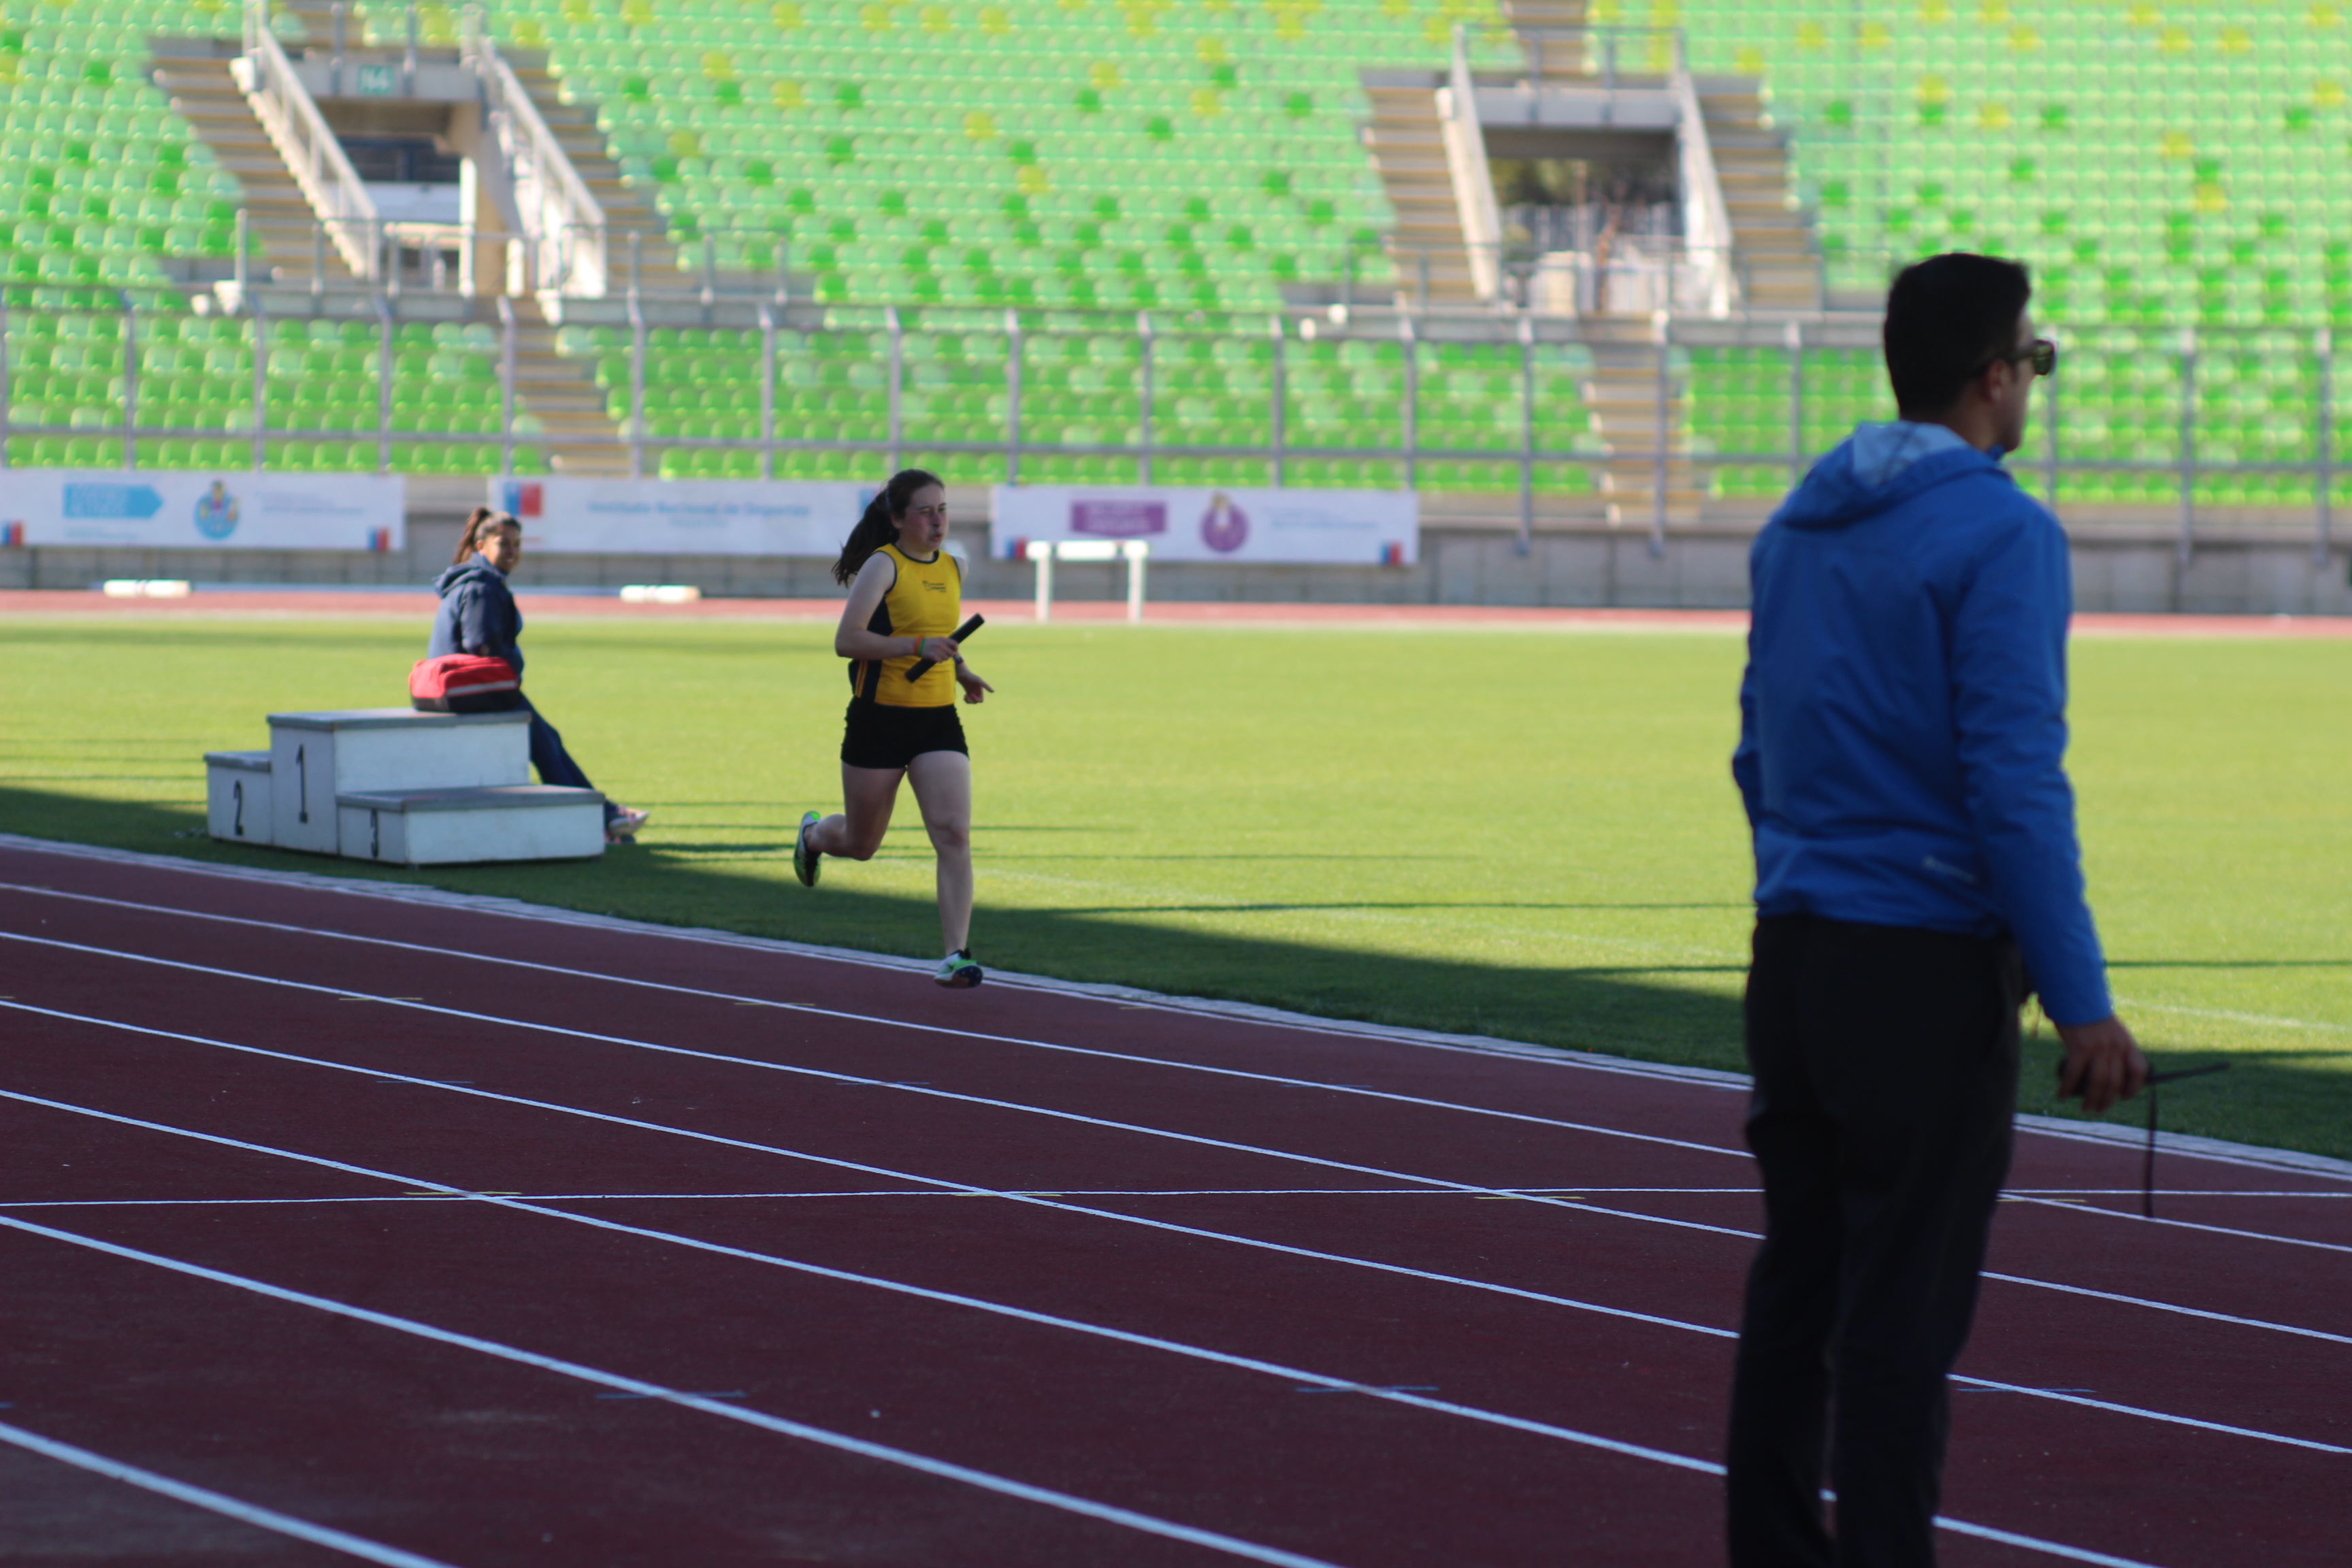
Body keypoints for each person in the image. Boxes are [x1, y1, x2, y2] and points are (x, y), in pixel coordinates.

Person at [1725, 253, 2149, 1567]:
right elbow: (2014, 784)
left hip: (1795, 956)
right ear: (1993, 375)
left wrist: (1807, 877)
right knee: (1900, 1317)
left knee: (1797, 1290)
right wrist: (2081, 1000)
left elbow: (1757, 749)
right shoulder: (2003, 534)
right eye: (2036, 359)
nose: (2035, 382)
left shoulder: (1795, 525)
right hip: (1919, 974)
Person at [793, 470, 994, 987]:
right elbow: (848, 641)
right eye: (925, 512)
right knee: (862, 844)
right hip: (878, 720)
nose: (937, 521)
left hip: (936, 720)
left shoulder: (955, 566)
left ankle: (957, 955)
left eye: (943, 509)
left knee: (954, 832)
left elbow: (938, 633)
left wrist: (962, 670)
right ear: (899, 518)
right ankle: (814, 836)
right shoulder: (882, 566)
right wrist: (915, 647)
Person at [429, 506, 650, 843]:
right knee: (545, 743)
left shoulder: (477, 582)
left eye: (517, 545)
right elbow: (481, 646)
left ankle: (600, 815)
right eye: (504, 544)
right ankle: (595, 820)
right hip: (472, 690)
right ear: (481, 546)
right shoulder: (481, 588)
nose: (513, 552)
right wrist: (513, 665)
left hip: (462, 688)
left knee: (548, 739)